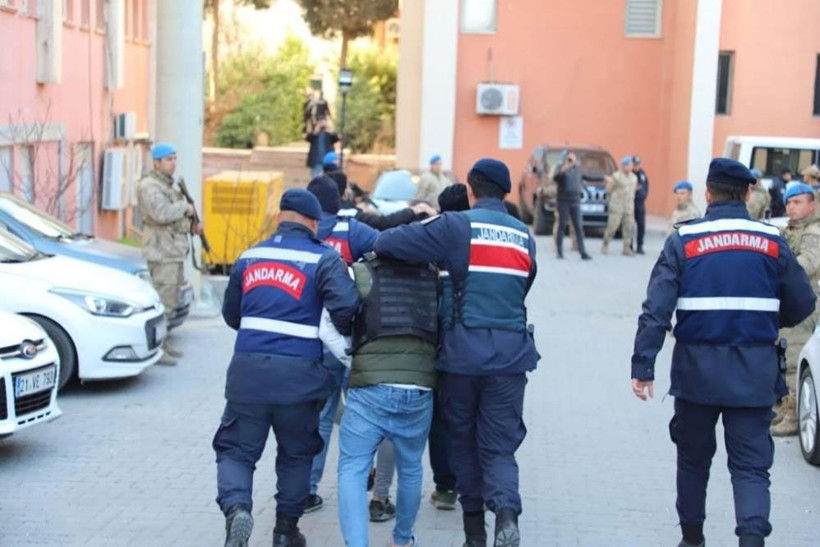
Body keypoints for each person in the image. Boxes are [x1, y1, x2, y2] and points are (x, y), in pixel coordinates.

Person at [631, 158, 815, 547]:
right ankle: (751, 540)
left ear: (708, 193)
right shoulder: (771, 240)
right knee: (750, 469)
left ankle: (692, 540)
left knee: (693, 462)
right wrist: (764, 321)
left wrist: (643, 365)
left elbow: (656, 309)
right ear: (748, 193)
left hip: (696, 375)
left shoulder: (684, 240)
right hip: (754, 374)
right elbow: (802, 302)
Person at [375, 158, 540, 547]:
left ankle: (473, 537)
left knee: (463, 442)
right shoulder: (524, 235)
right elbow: (524, 286)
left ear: (469, 191)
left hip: (462, 358)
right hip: (511, 358)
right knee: (500, 446)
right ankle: (506, 515)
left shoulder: (454, 226)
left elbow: (390, 242)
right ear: (506, 193)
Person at [214, 189, 360, 547]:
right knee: (296, 455)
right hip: (299, 377)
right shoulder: (323, 259)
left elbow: (232, 314)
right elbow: (348, 307)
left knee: (236, 450)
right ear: (313, 223)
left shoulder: (250, 257)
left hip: (248, 373)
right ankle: (284, 532)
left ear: (280, 218)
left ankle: (237, 510)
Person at [336, 252, 439, 547]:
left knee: (353, 468)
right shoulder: (431, 276)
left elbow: (329, 324)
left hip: (370, 389)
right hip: (418, 387)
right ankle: (403, 540)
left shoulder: (361, 273)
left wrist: (354, 360)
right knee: (411, 467)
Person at [301, 176, 381, 513]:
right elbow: (386, 251)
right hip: (352, 341)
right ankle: (363, 473)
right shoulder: (354, 232)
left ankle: (307, 490)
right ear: (340, 199)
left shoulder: (303, 235)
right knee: (363, 412)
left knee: (319, 416)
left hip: (313, 345)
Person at [137, 142, 200, 366]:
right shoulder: (149, 186)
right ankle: (156, 348)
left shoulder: (169, 186)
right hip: (161, 251)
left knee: (171, 301)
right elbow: (160, 214)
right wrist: (185, 208)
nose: (173, 163)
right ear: (156, 162)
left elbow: (173, 222)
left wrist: (190, 225)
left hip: (172, 249)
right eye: (168, 159)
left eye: (174, 158)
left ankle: (162, 343)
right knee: (163, 301)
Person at [773, 183, 820, 436]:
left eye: (798, 202)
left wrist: (779, 270)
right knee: (783, 355)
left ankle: (793, 414)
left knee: (794, 356)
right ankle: (786, 405)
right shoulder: (790, 230)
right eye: (789, 202)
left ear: (811, 205)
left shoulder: (813, 231)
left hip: (807, 302)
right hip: (790, 300)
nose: (791, 206)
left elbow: (809, 262)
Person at [329, 170, 437, 230]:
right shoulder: (351, 214)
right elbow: (384, 223)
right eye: (347, 187)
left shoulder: (320, 215)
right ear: (344, 194)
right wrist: (414, 210)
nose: (350, 191)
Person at [553, 150, 592, 260]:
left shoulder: (577, 169)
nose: (571, 160)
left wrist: (603, 178)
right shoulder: (560, 168)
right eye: (569, 158)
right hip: (563, 201)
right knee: (562, 226)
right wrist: (564, 169)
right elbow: (555, 178)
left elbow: (587, 177)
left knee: (578, 227)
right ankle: (559, 251)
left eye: (572, 158)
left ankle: (582, 251)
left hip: (575, 201)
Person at [601, 156, 637, 256]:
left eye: (631, 165)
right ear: (624, 166)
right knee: (612, 227)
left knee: (628, 228)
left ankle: (626, 248)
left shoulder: (634, 177)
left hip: (629, 207)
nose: (630, 167)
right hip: (617, 206)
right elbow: (609, 190)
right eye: (629, 165)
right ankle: (605, 244)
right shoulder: (616, 176)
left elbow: (633, 191)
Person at [632, 155, 649, 254]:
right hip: (631, 202)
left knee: (641, 225)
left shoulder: (642, 174)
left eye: (638, 164)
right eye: (635, 164)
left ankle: (640, 246)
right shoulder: (630, 174)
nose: (636, 166)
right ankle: (629, 246)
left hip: (640, 203)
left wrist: (644, 194)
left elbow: (646, 186)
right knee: (630, 226)